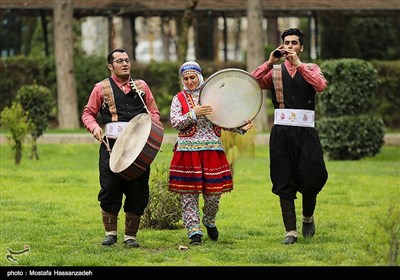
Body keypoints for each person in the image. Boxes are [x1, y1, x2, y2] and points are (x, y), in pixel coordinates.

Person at [251, 28, 328, 245]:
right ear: (282, 46)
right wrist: (268, 62)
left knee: (313, 177)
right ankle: (291, 232)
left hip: (306, 131)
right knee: (283, 178)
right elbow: (252, 81)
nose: (290, 46)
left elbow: (320, 86)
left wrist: (299, 65)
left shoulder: (311, 68)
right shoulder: (274, 72)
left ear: (301, 47)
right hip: (281, 132)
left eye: (294, 43)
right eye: (287, 43)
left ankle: (308, 217)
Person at [81, 48, 162, 248]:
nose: (125, 64)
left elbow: (153, 111)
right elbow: (87, 114)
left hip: (139, 146)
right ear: (110, 66)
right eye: (119, 61)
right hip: (111, 146)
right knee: (109, 187)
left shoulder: (142, 86)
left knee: (139, 190)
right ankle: (110, 233)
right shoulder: (100, 88)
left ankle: (130, 237)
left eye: (127, 60)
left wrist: (153, 130)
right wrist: (95, 129)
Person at [168, 61, 254, 246]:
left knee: (213, 195)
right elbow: (175, 122)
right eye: (186, 78)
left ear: (199, 76)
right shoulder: (178, 99)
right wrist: (194, 113)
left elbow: (225, 119)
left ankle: (209, 220)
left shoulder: (214, 96)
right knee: (188, 195)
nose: (190, 81)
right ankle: (194, 233)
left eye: (193, 77)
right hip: (187, 151)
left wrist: (241, 127)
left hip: (212, 150)